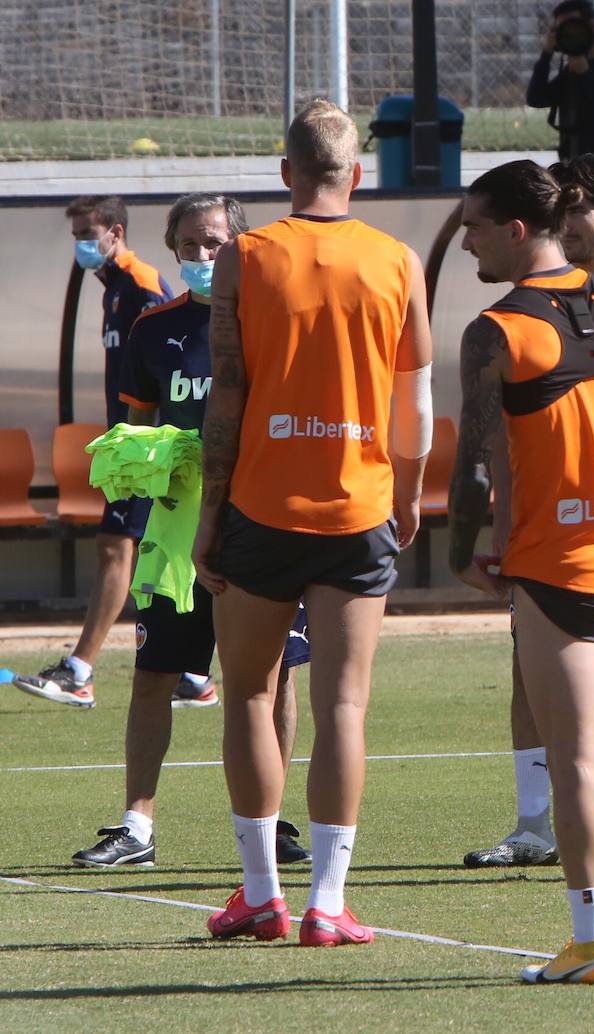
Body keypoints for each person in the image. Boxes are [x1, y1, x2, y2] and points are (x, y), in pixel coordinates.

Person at [192, 99, 433, 947]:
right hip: (361, 506)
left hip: (262, 506)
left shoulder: (247, 256)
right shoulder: (398, 258)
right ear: (356, 173)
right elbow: (417, 401)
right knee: (343, 704)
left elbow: (229, 393)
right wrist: (408, 493)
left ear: (287, 172)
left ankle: (263, 894)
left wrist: (209, 515)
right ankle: (328, 902)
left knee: (251, 695)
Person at [450, 160, 594, 984]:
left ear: (517, 230)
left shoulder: (496, 328)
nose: (465, 238)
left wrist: (459, 553)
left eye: (474, 224)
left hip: (558, 570)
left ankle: (591, 944)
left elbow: (475, 465)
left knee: (577, 759)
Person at [71, 194, 313, 869]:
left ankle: (270, 820)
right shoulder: (154, 329)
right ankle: (136, 829)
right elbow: (135, 429)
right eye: (188, 246)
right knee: (154, 672)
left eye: (213, 244)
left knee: (275, 675)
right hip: (177, 535)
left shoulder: (278, 321)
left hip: (262, 526)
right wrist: (147, 464)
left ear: (241, 243)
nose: (201, 258)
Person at [13, 196, 172, 709]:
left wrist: (145, 444)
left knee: (115, 548)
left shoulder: (141, 284)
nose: (81, 243)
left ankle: (79, 671)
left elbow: (166, 366)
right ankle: (194, 675)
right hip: (126, 446)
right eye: (76, 234)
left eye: (88, 232)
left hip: (143, 449)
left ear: (115, 231)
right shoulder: (113, 289)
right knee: (153, 556)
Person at [526, 0, 594, 167]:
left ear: (590, 24)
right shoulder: (571, 70)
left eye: (574, 25)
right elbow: (536, 98)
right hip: (573, 163)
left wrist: (585, 74)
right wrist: (547, 53)